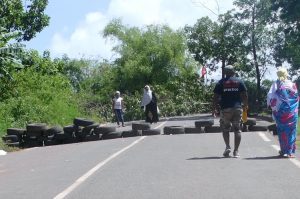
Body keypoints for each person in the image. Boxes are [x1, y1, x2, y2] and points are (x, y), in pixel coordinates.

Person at [212, 65, 248, 158]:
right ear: (233, 72)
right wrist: (245, 106)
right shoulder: (239, 81)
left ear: (225, 73)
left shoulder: (221, 82)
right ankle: (236, 151)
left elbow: (215, 97)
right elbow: (244, 95)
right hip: (237, 109)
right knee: (237, 129)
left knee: (225, 129)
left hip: (225, 109)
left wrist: (215, 108)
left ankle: (227, 147)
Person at [267, 67, 299, 158]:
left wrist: (274, 108)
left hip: (280, 114)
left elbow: (270, 97)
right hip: (292, 113)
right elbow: (296, 99)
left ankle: (284, 151)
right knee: (292, 131)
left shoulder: (276, 85)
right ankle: (290, 151)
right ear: (286, 74)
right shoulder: (292, 85)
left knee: (282, 131)